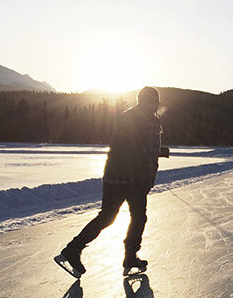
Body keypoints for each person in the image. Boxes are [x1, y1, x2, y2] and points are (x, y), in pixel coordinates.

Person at [55, 86, 169, 278]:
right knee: (138, 217)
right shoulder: (150, 121)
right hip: (134, 178)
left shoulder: (126, 116)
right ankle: (130, 257)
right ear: (151, 102)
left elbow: (130, 145)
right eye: (154, 102)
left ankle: (72, 250)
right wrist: (149, 179)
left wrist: (158, 150)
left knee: (107, 217)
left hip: (113, 175)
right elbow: (147, 153)